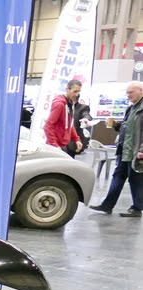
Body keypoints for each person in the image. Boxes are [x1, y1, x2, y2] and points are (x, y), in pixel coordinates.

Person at [89, 81, 143, 218]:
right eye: (127, 92)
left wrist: (142, 150)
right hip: (124, 150)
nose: (128, 95)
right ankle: (107, 205)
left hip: (136, 152)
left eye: (131, 92)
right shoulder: (131, 109)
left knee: (135, 180)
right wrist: (116, 125)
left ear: (140, 91)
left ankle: (137, 208)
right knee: (117, 177)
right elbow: (127, 127)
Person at [43, 79, 83, 158]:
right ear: (67, 89)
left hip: (62, 146)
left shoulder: (70, 104)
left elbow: (69, 124)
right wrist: (54, 145)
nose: (77, 94)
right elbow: (47, 126)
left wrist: (76, 139)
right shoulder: (59, 104)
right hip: (55, 147)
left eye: (78, 92)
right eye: (75, 91)